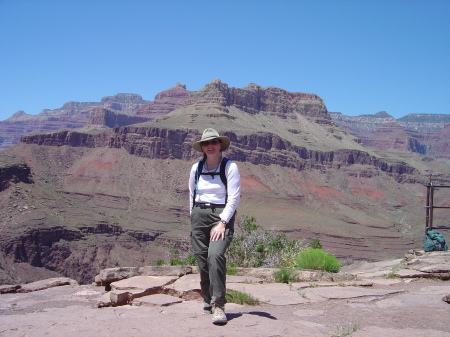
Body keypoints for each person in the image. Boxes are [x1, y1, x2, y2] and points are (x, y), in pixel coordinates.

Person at [189, 128, 241, 325]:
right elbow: (191, 194)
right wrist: (192, 217)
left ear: (220, 145)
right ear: (202, 147)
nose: (210, 146)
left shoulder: (230, 167)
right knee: (202, 261)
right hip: (199, 216)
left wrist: (222, 223)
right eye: (206, 143)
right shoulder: (196, 168)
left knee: (215, 256)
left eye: (213, 142)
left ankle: (218, 305)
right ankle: (207, 301)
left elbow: (234, 197)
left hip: (221, 216)